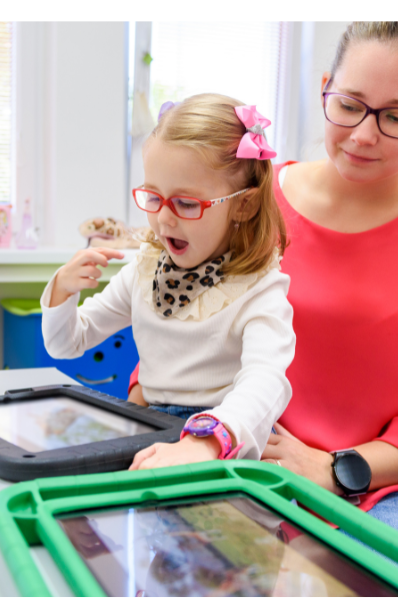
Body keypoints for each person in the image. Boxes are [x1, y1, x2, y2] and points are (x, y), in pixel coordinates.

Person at [128, 22, 398, 572]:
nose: (363, 135)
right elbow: (182, 309)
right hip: (232, 454)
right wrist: (153, 398)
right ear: (326, 86)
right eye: (349, 105)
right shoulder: (251, 202)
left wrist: (335, 467)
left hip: (390, 488)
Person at [41, 93, 296, 468]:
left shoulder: (259, 289)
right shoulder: (145, 270)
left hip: (225, 438)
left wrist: (207, 441)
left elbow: (265, 383)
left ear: (244, 205)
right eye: (153, 197)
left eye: (186, 204)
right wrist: (63, 290)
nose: (163, 219)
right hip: (151, 426)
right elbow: (67, 343)